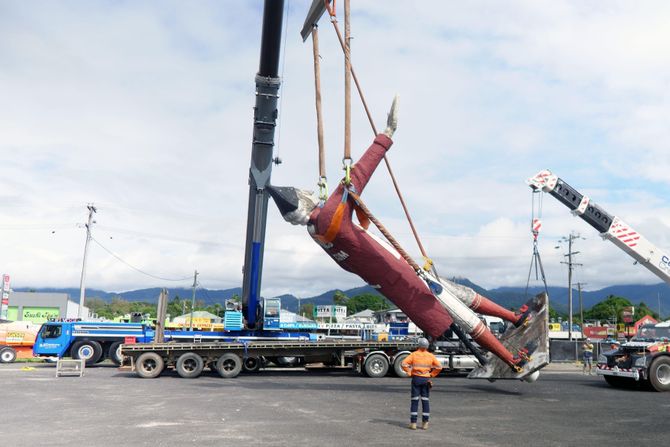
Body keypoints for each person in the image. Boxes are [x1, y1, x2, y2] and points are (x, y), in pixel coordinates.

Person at [267, 97, 532, 373]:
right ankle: (513, 360)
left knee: (461, 295)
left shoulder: (317, 234)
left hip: (396, 279)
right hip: (406, 276)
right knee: (462, 313)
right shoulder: (331, 214)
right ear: (304, 200)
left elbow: (330, 223)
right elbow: (359, 174)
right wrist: (386, 134)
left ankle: (514, 318)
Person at [401, 337, 442, 430]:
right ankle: (425, 423)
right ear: (427, 346)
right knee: (425, 401)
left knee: (414, 401)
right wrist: (432, 374)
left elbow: (403, 364)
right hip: (426, 380)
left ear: (418, 345)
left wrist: (409, 372)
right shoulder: (430, 356)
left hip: (416, 379)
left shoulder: (414, 355)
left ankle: (413, 423)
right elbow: (439, 367)